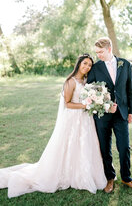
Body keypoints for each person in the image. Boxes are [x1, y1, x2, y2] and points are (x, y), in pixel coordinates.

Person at [0, 54, 110, 198]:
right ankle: (68, 173)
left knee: (85, 145)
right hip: (74, 118)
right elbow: (67, 103)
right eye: (85, 63)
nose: (87, 67)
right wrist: (85, 105)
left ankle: (82, 173)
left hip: (85, 119)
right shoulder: (70, 82)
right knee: (70, 145)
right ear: (79, 64)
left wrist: (95, 102)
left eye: (89, 65)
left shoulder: (86, 81)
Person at [87, 37, 132, 193]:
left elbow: (130, 89)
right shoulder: (95, 68)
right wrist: (105, 105)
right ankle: (109, 178)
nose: (97, 55)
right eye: (96, 52)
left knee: (124, 147)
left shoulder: (124, 64)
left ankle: (127, 178)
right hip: (102, 116)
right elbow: (90, 91)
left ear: (109, 49)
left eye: (100, 52)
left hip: (121, 114)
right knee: (105, 149)